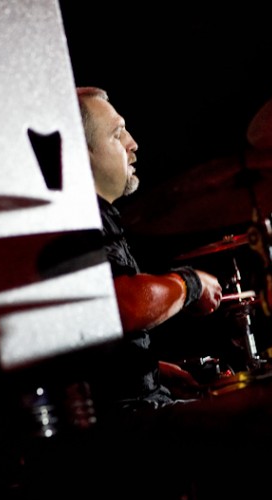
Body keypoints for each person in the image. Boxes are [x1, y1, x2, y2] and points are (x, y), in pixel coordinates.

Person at [76, 86, 223, 418]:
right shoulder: (80, 218)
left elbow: (90, 342)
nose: (132, 143)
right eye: (117, 134)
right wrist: (190, 283)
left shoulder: (94, 215)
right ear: (80, 152)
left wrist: (153, 372)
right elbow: (125, 305)